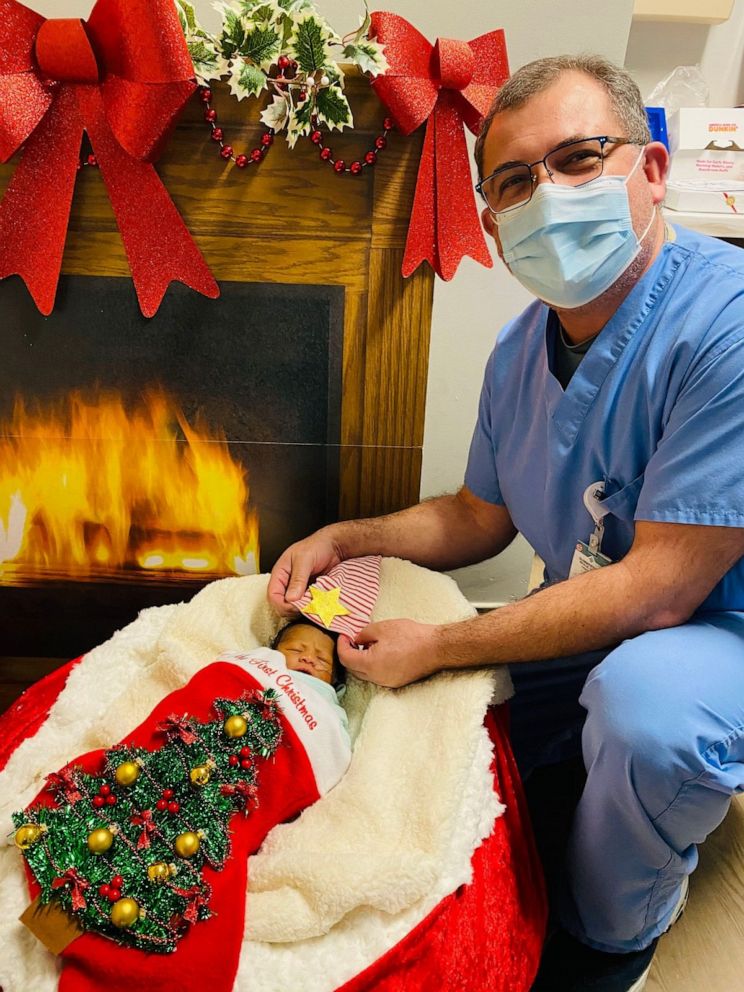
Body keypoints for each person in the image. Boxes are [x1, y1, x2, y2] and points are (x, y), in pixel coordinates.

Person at [268, 53, 744, 992]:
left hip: (711, 627)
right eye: (518, 182)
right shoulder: (522, 348)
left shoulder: (724, 321)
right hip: (599, 607)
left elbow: (660, 587)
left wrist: (444, 642)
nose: (549, 197)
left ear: (651, 170)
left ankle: (617, 938)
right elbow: (477, 516)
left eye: (579, 159)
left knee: (644, 717)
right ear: (493, 224)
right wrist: (349, 537)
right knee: (443, 747)